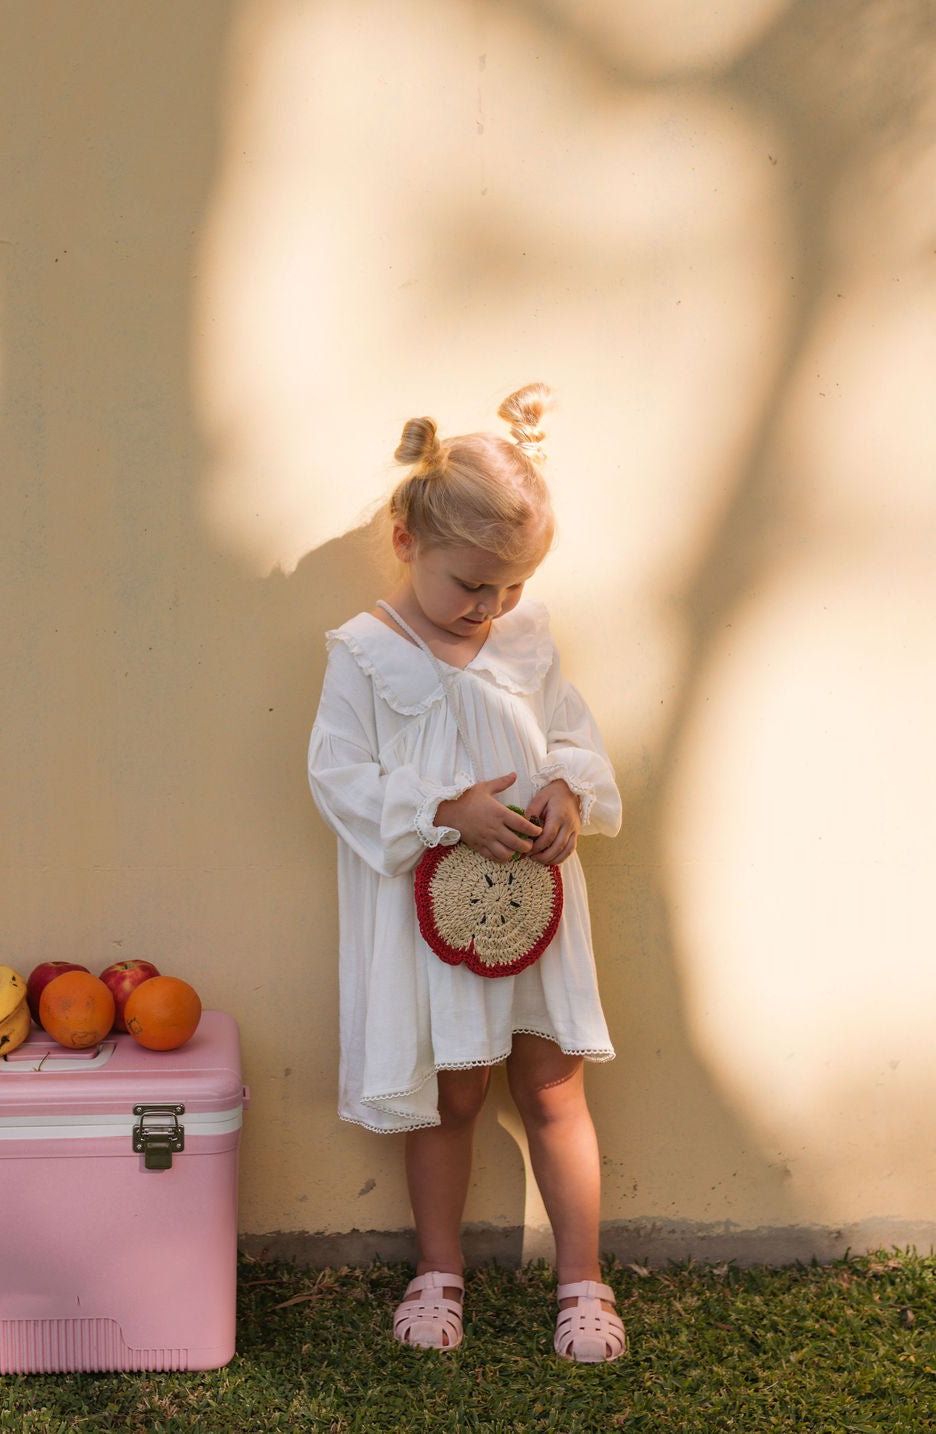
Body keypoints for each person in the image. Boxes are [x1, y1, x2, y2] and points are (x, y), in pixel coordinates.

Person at [307, 384, 625, 1362]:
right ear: (407, 542)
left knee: (553, 1087)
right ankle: (437, 1272)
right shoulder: (367, 657)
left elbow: (572, 734)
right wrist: (446, 811)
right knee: (451, 1097)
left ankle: (584, 1281)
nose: (490, 608)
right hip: (432, 924)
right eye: (472, 585)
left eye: (511, 587)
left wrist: (567, 789)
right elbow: (337, 775)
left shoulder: (525, 644)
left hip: (535, 907)